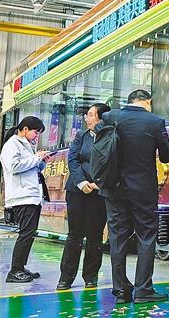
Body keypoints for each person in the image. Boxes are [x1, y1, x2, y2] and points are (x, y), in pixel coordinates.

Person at [100, 90, 169, 305]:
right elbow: (166, 156)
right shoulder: (154, 122)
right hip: (142, 190)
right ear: (148, 102)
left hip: (113, 188)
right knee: (146, 236)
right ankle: (143, 290)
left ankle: (120, 290)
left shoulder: (111, 118)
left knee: (117, 238)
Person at [57, 103, 110, 290]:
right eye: (87, 115)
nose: (87, 119)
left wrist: (99, 183)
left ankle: (91, 276)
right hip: (77, 191)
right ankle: (66, 278)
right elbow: (73, 160)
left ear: (101, 118)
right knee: (75, 235)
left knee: (95, 236)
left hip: (99, 192)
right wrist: (82, 183)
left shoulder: (111, 137)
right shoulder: (81, 136)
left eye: (91, 115)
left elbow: (113, 162)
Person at [0, 116, 52, 283]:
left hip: (31, 196)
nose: (37, 136)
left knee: (29, 234)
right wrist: (36, 157)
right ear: (25, 129)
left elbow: (31, 169)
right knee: (26, 233)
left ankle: (20, 267)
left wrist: (41, 162)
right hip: (22, 197)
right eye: (36, 132)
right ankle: (15, 271)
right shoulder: (12, 145)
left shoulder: (26, 146)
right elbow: (14, 166)